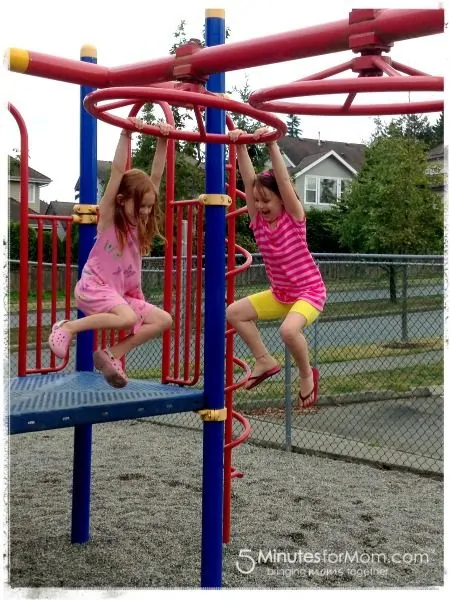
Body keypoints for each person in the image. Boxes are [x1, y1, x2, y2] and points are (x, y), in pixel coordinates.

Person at [48, 118, 173, 388]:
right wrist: (125, 133)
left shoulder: (139, 225)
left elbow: (156, 178)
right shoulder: (108, 220)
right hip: (95, 286)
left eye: (149, 207)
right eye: (140, 206)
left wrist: (163, 140)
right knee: (128, 317)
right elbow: (117, 172)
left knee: (163, 320)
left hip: (121, 294)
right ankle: (66, 327)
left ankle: (111, 354)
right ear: (121, 200)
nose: (145, 212)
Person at [226, 127, 326, 408]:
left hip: (309, 292)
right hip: (281, 294)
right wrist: (240, 148)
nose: (260, 205)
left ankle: (307, 376)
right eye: (257, 201)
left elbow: (282, 179)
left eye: (266, 200)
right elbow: (248, 180)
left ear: (283, 199)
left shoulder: (293, 219)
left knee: (288, 331)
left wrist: (272, 144)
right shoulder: (257, 222)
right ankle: (263, 359)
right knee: (234, 312)